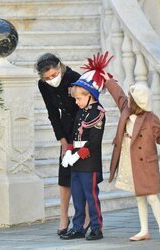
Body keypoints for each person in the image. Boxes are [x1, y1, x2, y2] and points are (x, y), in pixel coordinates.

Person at [101, 71, 160, 242]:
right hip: (130, 159)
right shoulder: (126, 110)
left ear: (138, 101)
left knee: (151, 196)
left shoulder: (151, 119)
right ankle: (144, 230)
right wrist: (108, 81)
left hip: (145, 162)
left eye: (131, 98)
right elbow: (118, 96)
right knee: (139, 196)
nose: (127, 99)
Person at [60, 52, 112, 241]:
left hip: (88, 162)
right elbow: (74, 136)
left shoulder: (97, 112)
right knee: (77, 196)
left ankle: (97, 227)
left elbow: (94, 141)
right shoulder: (82, 111)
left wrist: (77, 155)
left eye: (78, 99)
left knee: (91, 196)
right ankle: (78, 227)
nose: (76, 102)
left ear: (90, 95)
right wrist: (68, 153)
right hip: (76, 160)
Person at [35, 53, 90, 236]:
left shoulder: (74, 78)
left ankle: (88, 218)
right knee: (64, 175)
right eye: (47, 77)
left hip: (81, 127)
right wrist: (63, 142)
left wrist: (79, 139)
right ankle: (64, 218)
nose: (51, 79)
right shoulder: (43, 85)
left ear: (60, 67)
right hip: (65, 129)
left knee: (83, 175)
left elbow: (86, 106)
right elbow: (52, 113)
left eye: (54, 74)